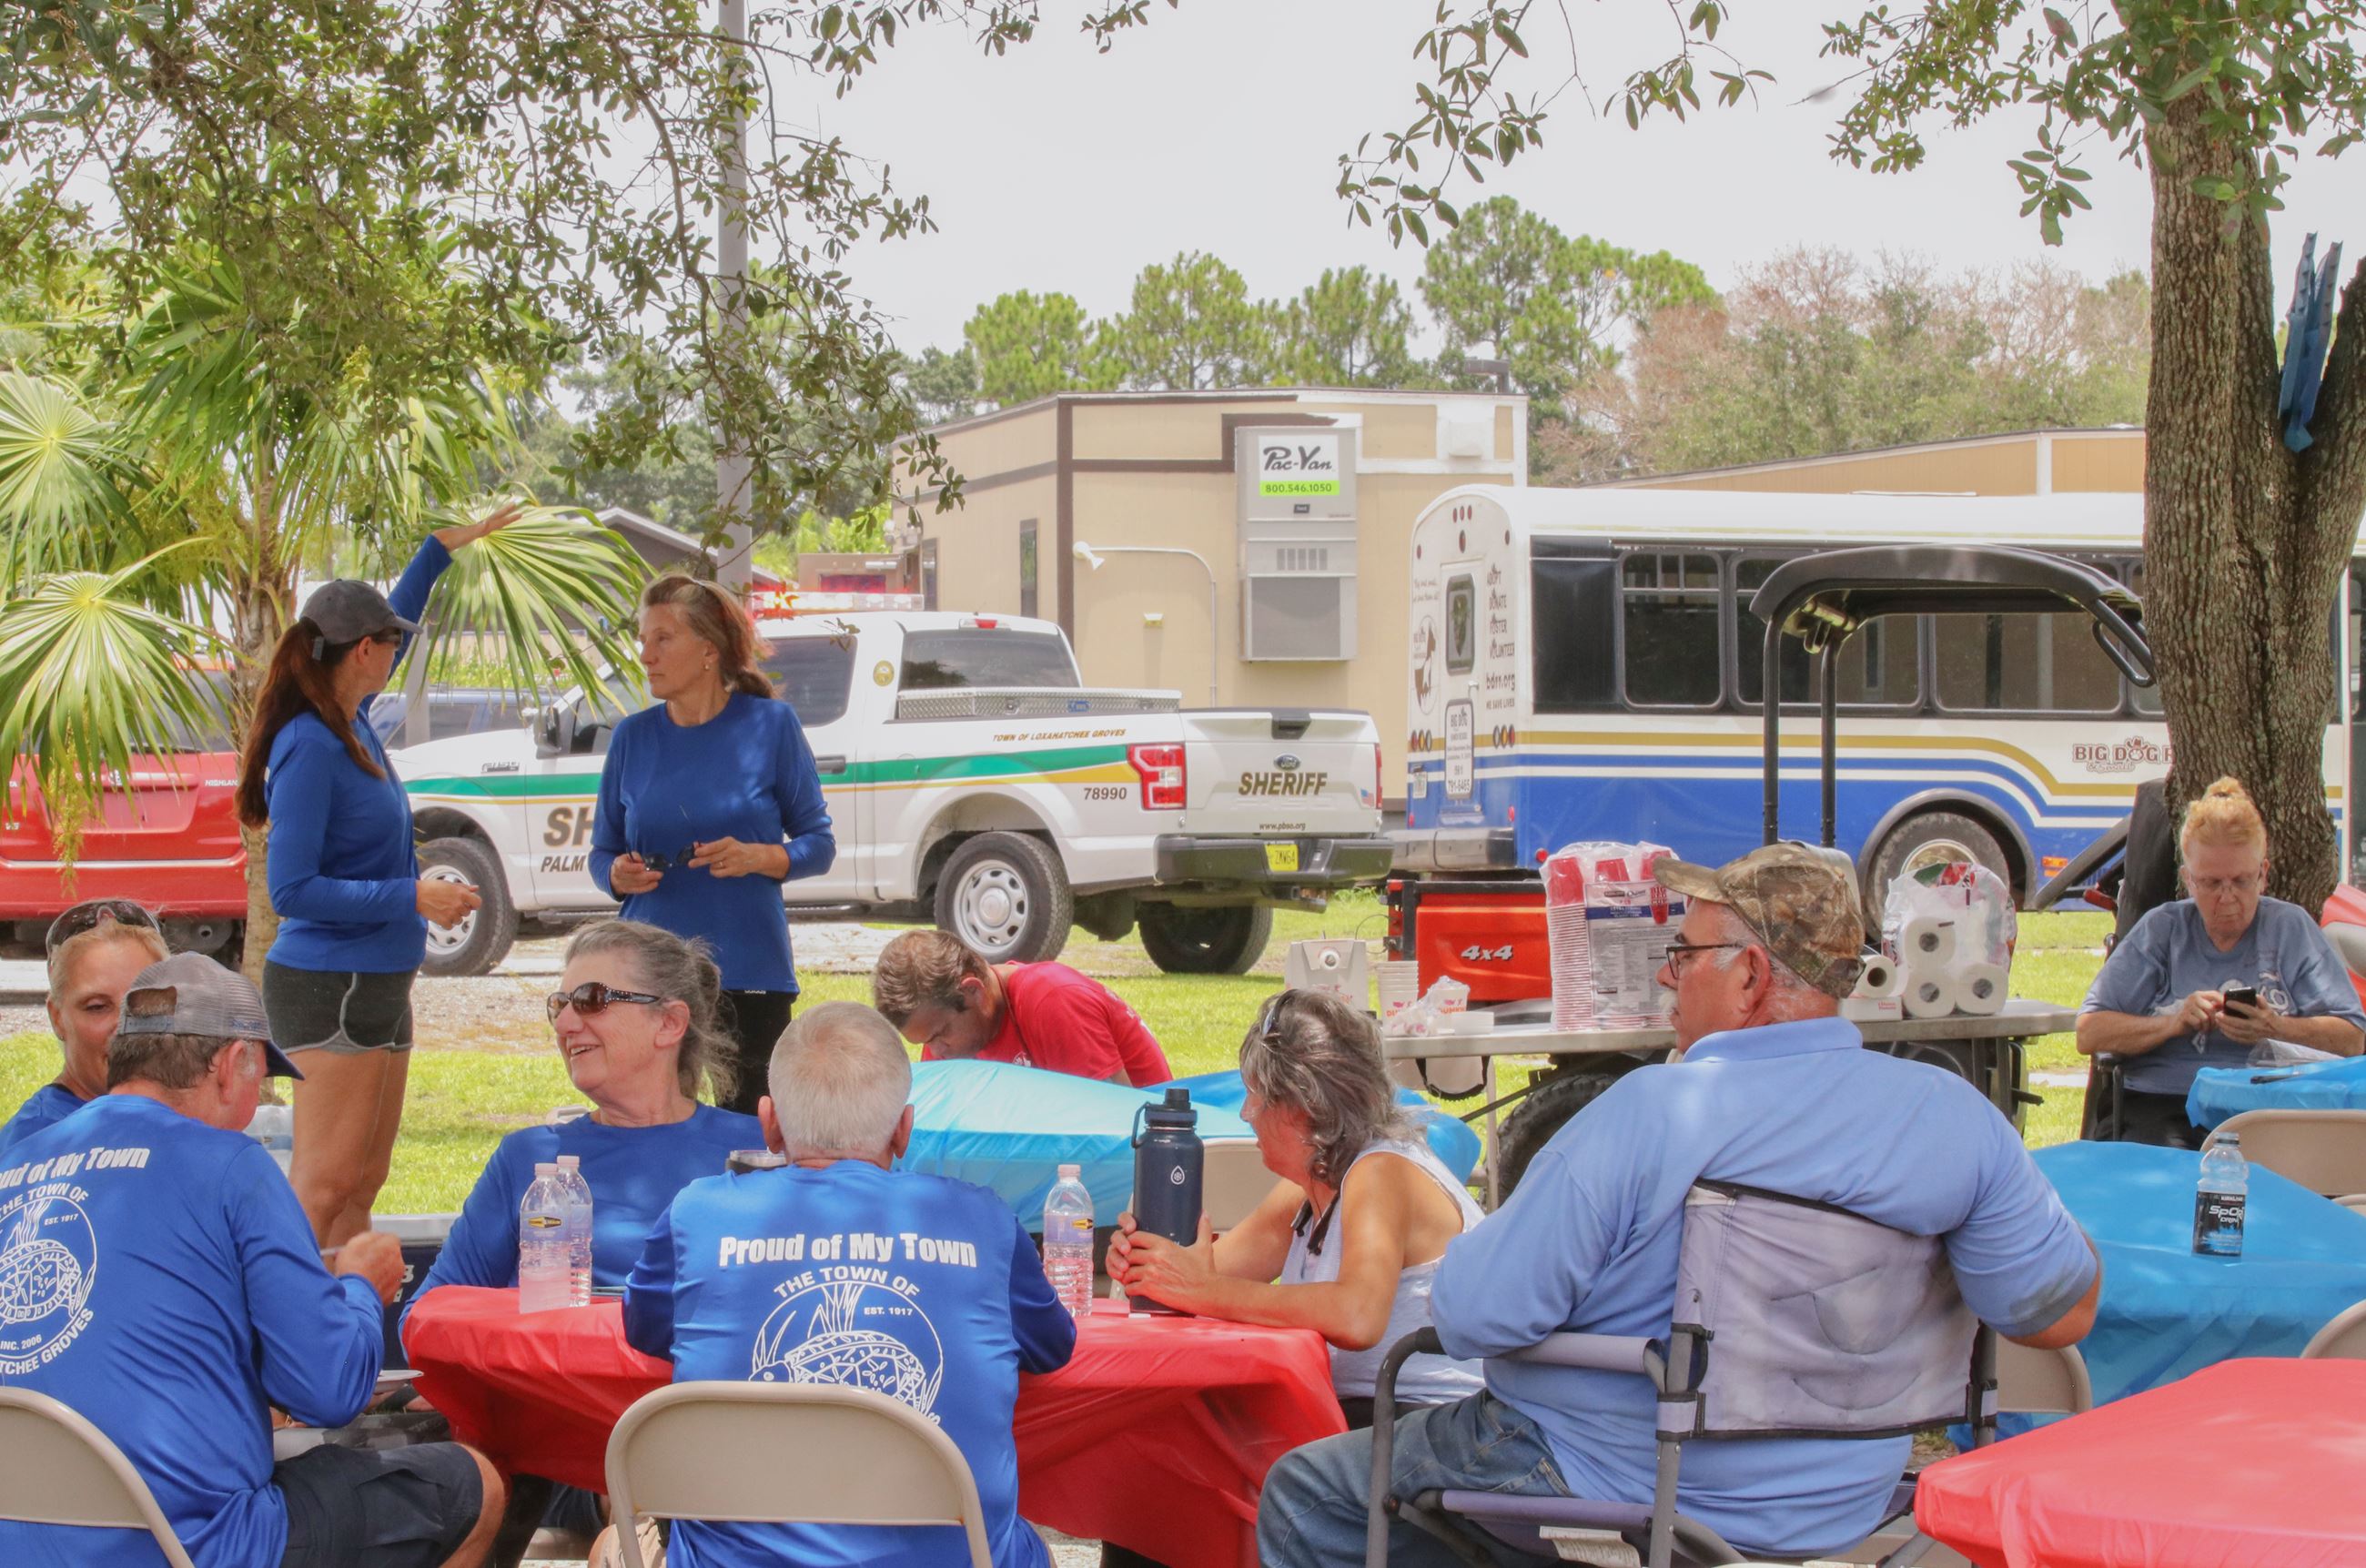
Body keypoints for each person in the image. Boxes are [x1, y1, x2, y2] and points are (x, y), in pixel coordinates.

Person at [1258, 844, 2103, 1567]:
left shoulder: (1653, 1111)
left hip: (1614, 1482)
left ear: (1750, 977)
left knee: (1307, 1492)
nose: (1667, 972)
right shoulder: (1954, 1117)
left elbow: (1476, 1312)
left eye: (1684, 951)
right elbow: (2061, 1311)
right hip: (1850, 1504)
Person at [0, 951, 504, 1568]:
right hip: (189, 1544)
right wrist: (358, 1288)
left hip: (22, 1539)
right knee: (472, 1484)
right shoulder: (229, 1164)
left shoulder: (15, 1164)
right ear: (232, 1062)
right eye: (259, 1076)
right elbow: (329, 1389)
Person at [616, 1001, 1077, 1568]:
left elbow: (646, 1329)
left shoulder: (696, 1213)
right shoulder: (983, 1220)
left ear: (770, 1123)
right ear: (904, 1131)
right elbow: (1052, 1347)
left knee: (615, 1545)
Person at [238, 504, 520, 1246]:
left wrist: (436, 552)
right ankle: (275, 1333)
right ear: (365, 650)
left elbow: (397, 611)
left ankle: (348, 1337)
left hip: (381, 981)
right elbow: (291, 891)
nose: (398, 650)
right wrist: (411, 893)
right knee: (323, 1181)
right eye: (392, 644)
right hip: (329, 983)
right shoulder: (311, 743)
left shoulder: (351, 717)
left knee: (363, 1183)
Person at [1108, 986, 1481, 1426]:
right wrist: (1150, 1264)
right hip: (1371, 1416)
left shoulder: (1382, 1172)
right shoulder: (1309, 1189)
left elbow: (1357, 1316)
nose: (1247, 1114)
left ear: (1303, 1106)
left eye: (1256, 1096)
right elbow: (1208, 1277)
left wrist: (1199, 1288)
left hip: (1435, 1423)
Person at [405, 919, 761, 1310]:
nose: (564, 1024)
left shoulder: (757, 1152)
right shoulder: (528, 1158)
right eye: (559, 1005)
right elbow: (427, 1315)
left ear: (669, 1023)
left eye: (591, 1000)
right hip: (557, 1368)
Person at [589, 574, 835, 1118]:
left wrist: (762, 858)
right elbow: (600, 854)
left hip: (750, 974)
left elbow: (818, 844)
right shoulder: (632, 736)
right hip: (649, 980)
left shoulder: (771, 726)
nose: (645, 655)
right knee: (649, 1128)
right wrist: (615, 876)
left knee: (750, 1141)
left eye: (662, 639)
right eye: (643, 639)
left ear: (708, 650)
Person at [2079, 775, 2366, 1147]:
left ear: (2263, 875)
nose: (2227, 897)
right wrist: (2174, 1023)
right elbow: (2089, 1032)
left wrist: (2274, 1027)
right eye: (2212, 883)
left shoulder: (2288, 928)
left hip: (2268, 1105)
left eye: (2241, 881)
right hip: (2167, 1101)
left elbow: (2353, 1039)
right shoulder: (2163, 930)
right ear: (2188, 880)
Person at [873, 928, 1173, 1087]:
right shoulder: (944, 1031)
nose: (936, 1052)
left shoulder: (1053, 999)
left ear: (973, 991)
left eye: (940, 1035)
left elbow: (1114, 1127)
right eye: (926, 1042)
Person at [0, 898, 170, 1152]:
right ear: (57, 1018)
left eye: (144, 1003)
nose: (124, 1025)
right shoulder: (30, 1147)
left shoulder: (191, 1116)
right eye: (97, 1007)